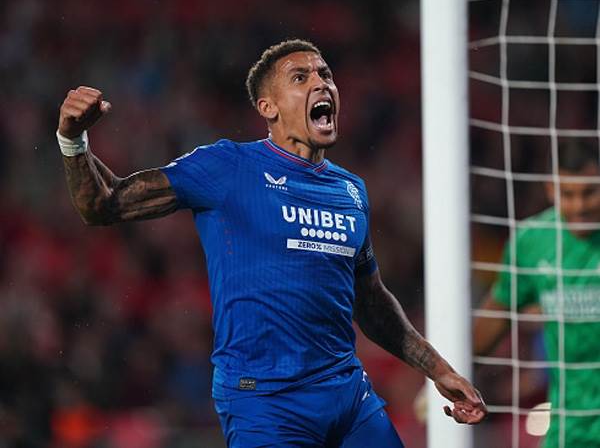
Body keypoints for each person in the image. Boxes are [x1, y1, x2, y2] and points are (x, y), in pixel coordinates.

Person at [56, 39, 486, 447]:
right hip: (265, 402)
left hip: (347, 397)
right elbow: (103, 205)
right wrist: (73, 140)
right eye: (301, 77)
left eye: (325, 74)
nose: (321, 83)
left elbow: (371, 301)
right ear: (268, 107)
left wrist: (438, 369)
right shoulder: (227, 167)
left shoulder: (350, 191)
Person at [473, 141, 600, 447]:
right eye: (568, 194)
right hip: (570, 426)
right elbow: (497, 313)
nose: (579, 206)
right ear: (550, 189)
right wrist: (446, 371)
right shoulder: (532, 241)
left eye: (590, 192)